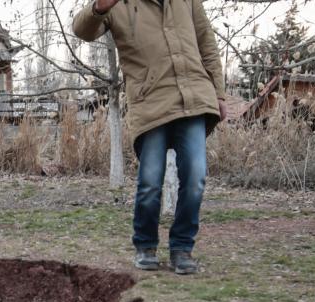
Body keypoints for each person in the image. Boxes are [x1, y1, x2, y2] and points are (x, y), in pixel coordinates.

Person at [73, 0, 227, 275]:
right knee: (150, 182)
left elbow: (207, 43)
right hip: (149, 102)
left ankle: (182, 248)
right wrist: (98, 8)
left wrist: (219, 92)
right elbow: (82, 30)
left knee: (195, 176)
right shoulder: (117, 4)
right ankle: (145, 245)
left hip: (193, 96)